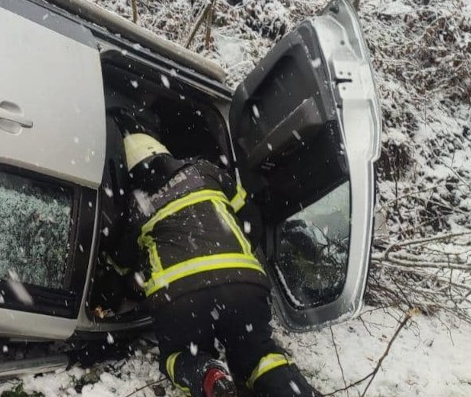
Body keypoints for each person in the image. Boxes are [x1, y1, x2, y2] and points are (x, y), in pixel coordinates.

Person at [113, 132, 321, 397]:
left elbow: (122, 264)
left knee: (178, 356)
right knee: (259, 355)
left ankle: (210, 375)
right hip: (244, 286)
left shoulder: (134, 206)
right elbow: (250, 219)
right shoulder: (204, 170)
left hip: (180, 298)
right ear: (163, 151)